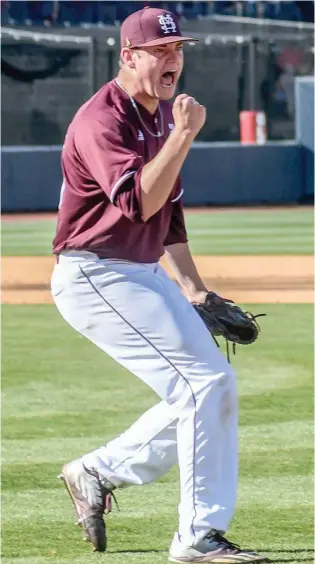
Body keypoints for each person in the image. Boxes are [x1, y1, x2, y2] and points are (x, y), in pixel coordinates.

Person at [51, 6, 267, 563]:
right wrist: (185, 135)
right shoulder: (103, 119)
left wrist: (195, 290)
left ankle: (96, 472)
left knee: (209, 390)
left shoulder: (158, 115)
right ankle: (195, 539)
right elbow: (138, 201)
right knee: (204, 384)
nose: (173, 59)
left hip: (139, 272)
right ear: (129, 56)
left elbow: (166, 214)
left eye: (178, 50)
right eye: (160, 51)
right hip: (95, 273)